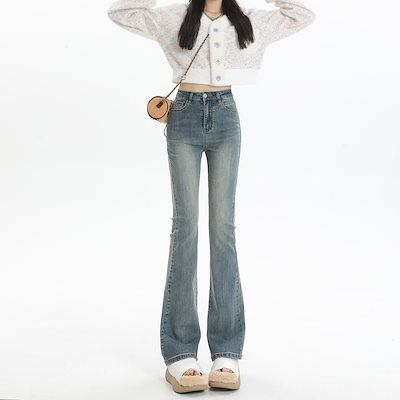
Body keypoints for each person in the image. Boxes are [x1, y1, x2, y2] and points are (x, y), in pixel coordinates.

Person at [107, 0, 315, 392]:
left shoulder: (248, 20)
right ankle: (180, 351)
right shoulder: (174, 17)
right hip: (183, 116)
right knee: (185, 229)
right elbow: (121, 13)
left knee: (223, 230)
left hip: (226, 117)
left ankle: (227, 351)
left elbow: (300, 14)